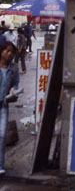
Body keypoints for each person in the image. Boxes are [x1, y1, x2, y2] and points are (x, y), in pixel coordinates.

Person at [0, 41, 19, 175]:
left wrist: (14, 90)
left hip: (3, 105)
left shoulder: (14, 69)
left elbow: (15, 84)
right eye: (7, 50)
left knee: (2, 135)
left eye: (11, 51)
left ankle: (0, 165)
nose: (9, 53)